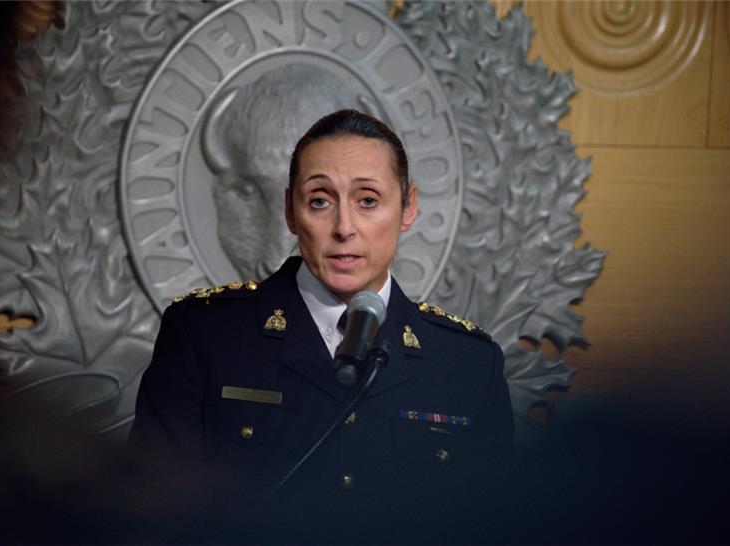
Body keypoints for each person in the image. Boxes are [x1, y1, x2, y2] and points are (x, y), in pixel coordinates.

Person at [128, 109, 514, 543]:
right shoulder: (203, 335)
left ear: (408, 208)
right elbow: (153, 519)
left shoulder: (468, 363)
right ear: (291, 212)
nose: (344, 228)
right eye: (319, 201)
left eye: (368, 200)